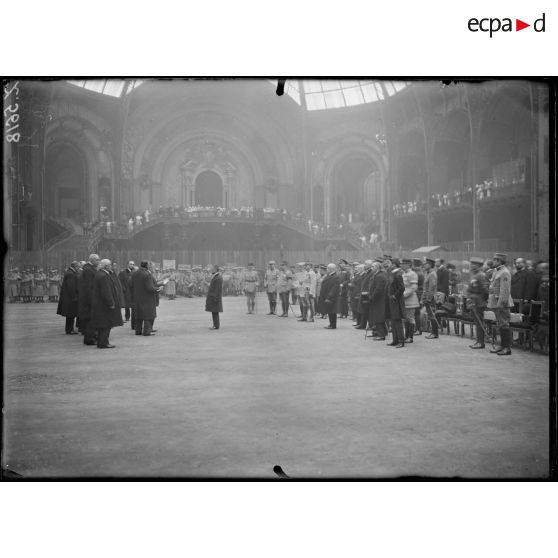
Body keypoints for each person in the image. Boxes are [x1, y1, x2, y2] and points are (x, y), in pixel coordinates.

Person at [90, 259, 123, 348]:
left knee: (103, 324)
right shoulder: (104, 276)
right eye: (109, 265)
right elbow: (106, 291)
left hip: (100, 304)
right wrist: (111, 303)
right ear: (106, 266)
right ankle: (104, 343)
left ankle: (102, 342)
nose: (111, 267)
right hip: (104, 305)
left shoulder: (100, 274)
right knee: (106, 324)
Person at [487, 253, 514, 356]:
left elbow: (505, 290)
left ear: (499, 261)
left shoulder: (504, 272)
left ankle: (507, 348)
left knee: (504, 324)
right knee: (500, 324)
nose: (493, 261)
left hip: (502, 303)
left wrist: (501, 303)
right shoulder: (496, 271)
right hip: (496, 302)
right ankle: (502, 345)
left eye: (494, 260)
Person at [130, 261, 160, 336]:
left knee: (139, 315)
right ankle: (147, 332)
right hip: (147, 298)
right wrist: (157, 289)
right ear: (146, 266)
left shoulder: (135, 273)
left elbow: (130, 284)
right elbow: (149, 288)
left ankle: (138, 331)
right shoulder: (147, 274)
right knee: (148, 315)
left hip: (137, 297)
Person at [465, 256, 489, 349]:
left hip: (479, 303)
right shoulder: (474, 275)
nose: (471, 266)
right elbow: (470, 288)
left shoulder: (481, 275)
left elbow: (485, 291)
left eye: (473, 264)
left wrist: (480, 299)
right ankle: (478, 341)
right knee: (477, 322)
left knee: (479, 323)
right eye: (471, 264)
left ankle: (481, 342)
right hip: (473, 301)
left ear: (478, 266)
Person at [78, 254, 100, 345]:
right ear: (92, 260)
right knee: (90, 321)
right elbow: (89, 287)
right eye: (97, 260)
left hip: (88, 299)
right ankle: (89, 339)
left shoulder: (89, 269)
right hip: (89, 300)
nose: (99, 261)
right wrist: (93, 300)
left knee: (90, 320)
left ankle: (91, 338)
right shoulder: (89, 270)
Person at [56, 261, 80, 334]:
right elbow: (71, 287)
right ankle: (69, 330)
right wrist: (74, 297)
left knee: (70, 315)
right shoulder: (71, 274)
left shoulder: (69, 272)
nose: (78, 268)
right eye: (78, 267)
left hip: (68, 297)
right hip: (70, 298)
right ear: (74, 266)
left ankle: (69, 329)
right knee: (71, 314)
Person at [386, 258, 406, 348]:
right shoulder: (393, 273)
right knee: (393, 321)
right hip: (392, 301)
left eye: (392, 263)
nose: (390, 265)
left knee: (397, 321)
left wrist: (395, 295)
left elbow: (402, 288)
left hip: (396, 301)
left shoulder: (398, 274)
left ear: (395, 265)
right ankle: (395, 340)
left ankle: (401, 341)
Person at [369, 259, 388, 340]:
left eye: (373, 266)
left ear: (377, 268)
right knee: (376, 316)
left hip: (379, 299)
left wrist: (372, 297)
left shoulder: (380, 276)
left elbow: (378, 289)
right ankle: (378, 332)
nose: (371, 268)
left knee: (379, 316)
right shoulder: (378, 274)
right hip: (378, 299)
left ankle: (381, 335)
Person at [401, 259, 419, 343]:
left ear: (408, 265)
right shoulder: (404, 273)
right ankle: (406, 335)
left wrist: (403, 295)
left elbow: (413, 288)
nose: (401, 265)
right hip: (404, 300)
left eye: (403, 264)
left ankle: (410, 337)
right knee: (406, 318)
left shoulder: (412, 274)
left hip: (410, 299)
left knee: (410, 318)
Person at [318, 263, 341, 329]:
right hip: (327, 296)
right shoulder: (329, 275)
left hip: (332, 297)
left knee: (332, 311)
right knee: (329, 311)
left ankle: (333, 325)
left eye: (328, 268)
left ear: (331, 269)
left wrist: (329, 296)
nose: (327, 269)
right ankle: (331, 324)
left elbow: (335, 288)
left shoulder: (336, 277)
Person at [421, 258, 439, 339]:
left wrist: (428, 299)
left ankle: (435, 333)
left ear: (430, 265)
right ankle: (434, 332)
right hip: (428, 298)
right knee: (430, 315)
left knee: (432, 315)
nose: (425, 265)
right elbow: (426, 288)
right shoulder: (428, 273)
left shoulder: (432, 274)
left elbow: (432, 288)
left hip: (431, 298)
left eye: (426, 264)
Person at [205, 264, 223, 329]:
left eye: (212, 269)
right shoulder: (216, 276)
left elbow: (217, 290)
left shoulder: (218, 277)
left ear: (216, 270)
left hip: (215, 298)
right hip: (213, 297)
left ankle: (216, 326)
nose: (211, 270)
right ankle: (215, 325)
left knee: (215, 312)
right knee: (214, 312)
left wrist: (215, 298)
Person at [412, 258, 425, 335]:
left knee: (416, 312)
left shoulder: (416, 273)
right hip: (419, 293)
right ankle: (417, 328)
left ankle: (418, 329)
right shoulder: (420, 272)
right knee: (416, 312)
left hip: (417, 293)